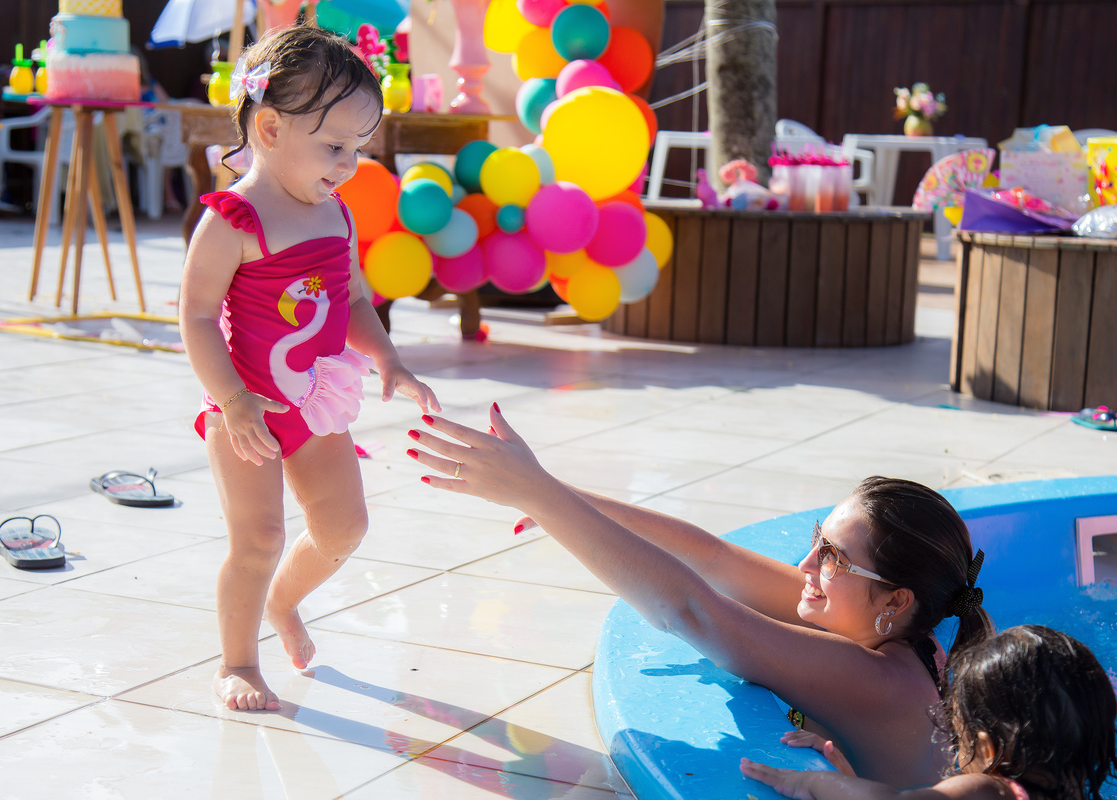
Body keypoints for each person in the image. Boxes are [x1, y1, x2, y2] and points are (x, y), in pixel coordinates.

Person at [407, 407, 993, 786]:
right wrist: (551, 492)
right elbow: (713, 559)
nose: (806, 565)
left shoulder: (881, 679)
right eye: (818, 541)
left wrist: (540, 496)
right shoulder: (898, 632)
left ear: (895, 601)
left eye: (832, 557)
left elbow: (690, 611)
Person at [179, 23, 439, 713]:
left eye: (359, 148)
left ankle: (284, 602)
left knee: (343, 527)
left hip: (315, 403)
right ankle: (237, 661)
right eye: (334, 146)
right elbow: (196, 317)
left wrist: (387, 358)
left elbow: (350, 298)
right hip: (246, 412)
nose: (349, 164)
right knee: (258, 538)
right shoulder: (233, 220)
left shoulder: (335, 214)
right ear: (269, 128)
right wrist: (231, 400)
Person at [740, 625, 1117, 799]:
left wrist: (814, 783)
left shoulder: (989, 791)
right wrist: (851, 778)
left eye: (959, 734)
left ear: (987, 748)